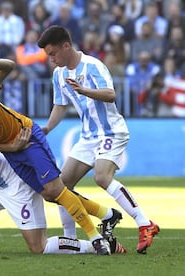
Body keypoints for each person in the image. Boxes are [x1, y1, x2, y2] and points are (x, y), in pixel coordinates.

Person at [0, 57, 121, 255]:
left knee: (55, 188)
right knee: (48, 194)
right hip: (11, 151)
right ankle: (107, 214)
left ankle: (95, 238)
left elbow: (9, 66)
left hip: (26, 136)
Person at [37, 25, 160, 254]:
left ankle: (145, 223)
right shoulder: (59, 74)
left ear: (66, 46)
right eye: (48, 55)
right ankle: (71, 239)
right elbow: (60, 105)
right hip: (88, 136)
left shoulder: (93, 66)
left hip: (111, 131)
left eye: (53, 53)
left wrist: (84, 91)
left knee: (102, 176)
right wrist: (48, 127)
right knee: (60, 187)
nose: (51, 59)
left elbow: (111, 94)